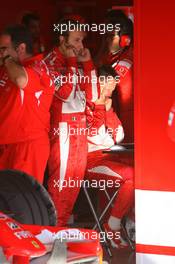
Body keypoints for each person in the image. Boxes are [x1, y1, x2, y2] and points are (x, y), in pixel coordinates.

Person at [44, 19, 99, 226]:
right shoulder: (50, 62)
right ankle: (53, 234)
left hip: (80, 128)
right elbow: (65, 94)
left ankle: (61, 235)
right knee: (60, 187)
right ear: (62, 39)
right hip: (63, 128)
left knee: (73, 186)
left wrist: (88, 63)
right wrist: (71, 63)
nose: (80, 46)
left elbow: (93, 95)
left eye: (82, 40)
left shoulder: (77, 60)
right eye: (76, 40)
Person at [86, 65, 134, 248]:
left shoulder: (106, 105)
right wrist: (100, 109)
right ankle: (112, 225)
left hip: (107, 157)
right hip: (89, 161)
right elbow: (97, 136)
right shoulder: (85, 103)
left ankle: (124, 222)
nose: (109, 93)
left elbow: (119, 135)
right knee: (131, 175)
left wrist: (107, 111)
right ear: (98, 84)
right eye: (107, 88)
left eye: (112, 90)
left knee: (139, 172)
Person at [0, 25, 54, 183]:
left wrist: (7, 59)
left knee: (20, 203)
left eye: (4, 49)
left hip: (27, 147)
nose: (1, 53)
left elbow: (20, 80)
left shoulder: (38, 67)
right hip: (7, 145)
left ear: (21, 48)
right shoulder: (8, 68)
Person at [97, 10, 133, 143]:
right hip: (117, 116)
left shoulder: (126, 61)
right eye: (105, 36)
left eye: (110, 36)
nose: (107, 40)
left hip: (127, 120)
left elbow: (100, 79)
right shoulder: (113, 55)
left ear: (125, 40)